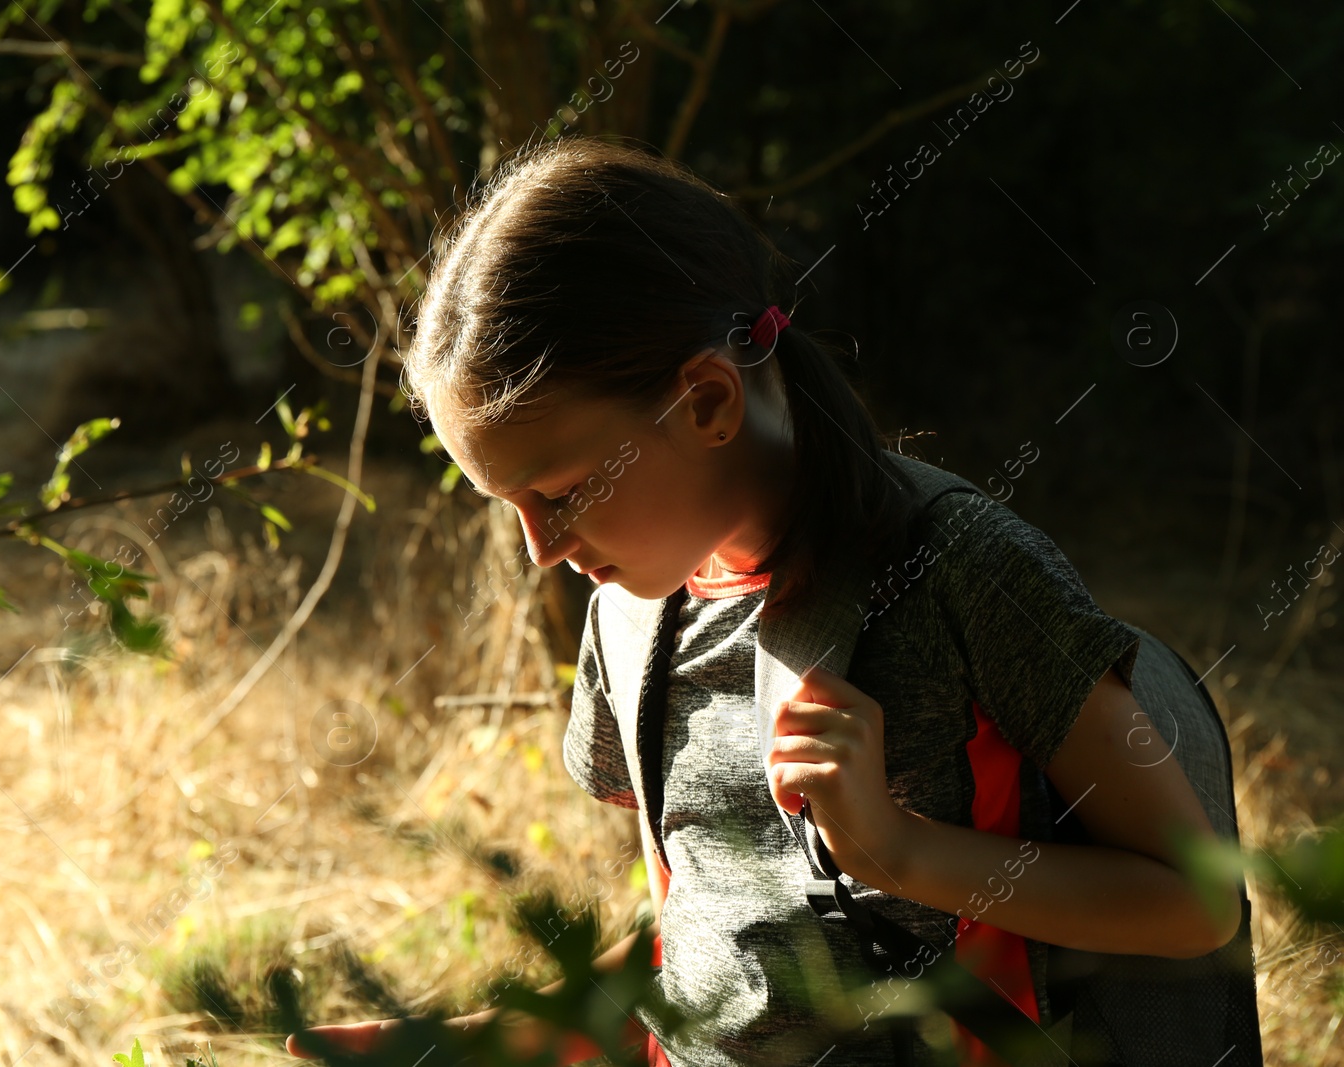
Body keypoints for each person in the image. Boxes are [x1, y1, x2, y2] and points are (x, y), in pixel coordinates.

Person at [285, 134, 1241, 1066]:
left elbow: (1197, 904)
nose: (541, 549)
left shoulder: (964, 569)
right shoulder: (630, 613)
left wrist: (900, 851)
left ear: (706, 401)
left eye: (562, 490)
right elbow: (713, 926)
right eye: (510, 508)